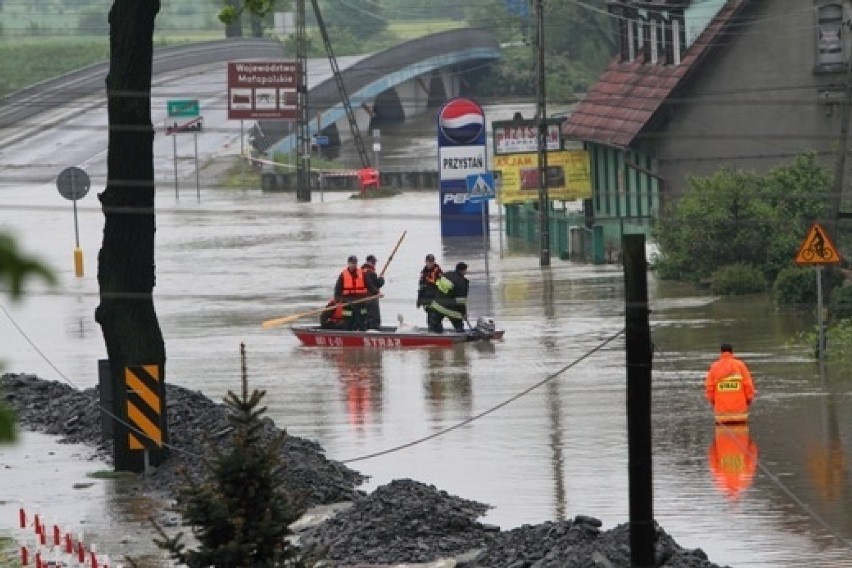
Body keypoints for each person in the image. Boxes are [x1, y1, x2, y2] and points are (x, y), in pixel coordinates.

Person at [705, 343, 756, 424]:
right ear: (732, 352)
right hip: (740, 415)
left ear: (720, 352)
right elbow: (748, 386)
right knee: (741, 436)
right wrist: (749, 400)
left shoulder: (714, 367)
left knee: (722, 436)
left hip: (721, 416)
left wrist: (714, 403)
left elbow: (709, 388)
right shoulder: (740, 365)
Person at [334, 255, 377, 331]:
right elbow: (337, 290)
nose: (353, 265)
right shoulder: (343, 275)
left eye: (355, 263)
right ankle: (348, 334)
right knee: (348, 321)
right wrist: (338, 300)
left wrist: (376, 293)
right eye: (352, 263)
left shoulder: (362, 273)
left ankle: (362, 333)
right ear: (348, 263)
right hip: (348, 302)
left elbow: (370, 285)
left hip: (360, 301)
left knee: (362, 320)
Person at [429, 261, 469, 333]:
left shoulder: (446, 275)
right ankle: (460, 338)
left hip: (437, 305)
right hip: (451, 309)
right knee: (459, 327)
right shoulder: (461, 282)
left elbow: (436, 287)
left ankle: (435, 338)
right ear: (463, 270)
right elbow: (461, 301)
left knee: (434, 327)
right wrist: (464, 313)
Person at [417, 254, 443, 326]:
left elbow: (441, 285)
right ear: (425, 261)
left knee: (435, 318)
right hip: (426, 298)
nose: (430, 263)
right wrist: (419, 301)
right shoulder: (424, 271)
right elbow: (421, 286)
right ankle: (431, 331)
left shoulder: (438, 271)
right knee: (429, 318)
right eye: (429, 261)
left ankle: (436, 332)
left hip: (435, 297)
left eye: (432, 261)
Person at [361, 254, 385, 329]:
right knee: (374, 317)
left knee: (365, 315)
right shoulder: (370, 272)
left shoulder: (361, 271)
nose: (375, 265)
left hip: (362, 298)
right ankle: (374, 330)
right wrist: (381, 280)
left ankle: (366, 328)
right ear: (372, 262)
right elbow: (375, 284)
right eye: (374, 262)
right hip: (371, 298)